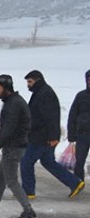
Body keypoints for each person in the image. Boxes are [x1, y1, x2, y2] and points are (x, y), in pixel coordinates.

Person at [0, 75, 37, 218]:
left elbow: (9, 130)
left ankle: (28, 211)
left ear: (6, 88)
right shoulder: (12, 102)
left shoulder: (14, 104)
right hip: (13, 145)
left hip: (14, 146)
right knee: (1, 175)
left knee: (11, 180)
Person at [20, 70, 85, 199]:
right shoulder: (40, 92)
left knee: (26, 162)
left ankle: (28, 192)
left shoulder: (45, 94)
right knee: (48, 162)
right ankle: (75, 182)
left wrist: (53, 137)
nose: (28, 85)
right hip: (43, 136)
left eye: (30, 82)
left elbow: (51, 117)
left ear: (38, 80)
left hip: (42, 137)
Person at [67, 69, 90, 182]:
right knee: (79, 161)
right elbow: (72, 115)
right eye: (89, 79)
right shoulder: (81, 96)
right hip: (82, 135)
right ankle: (77, 183)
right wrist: (71, 133)